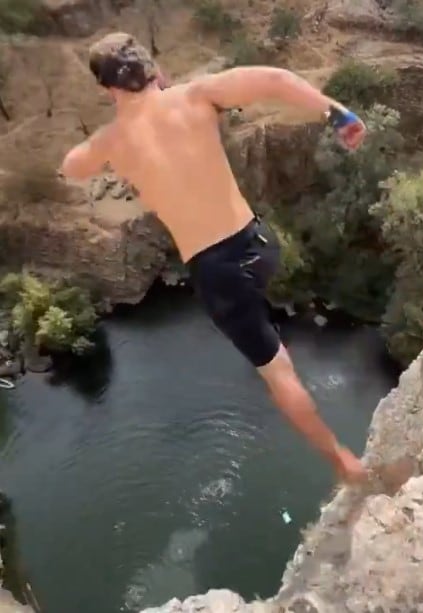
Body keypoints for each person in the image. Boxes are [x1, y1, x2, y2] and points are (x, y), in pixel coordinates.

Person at [60, 32, 369, 484]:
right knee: (267, 312)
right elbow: (272, 79)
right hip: (259, 244)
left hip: (219, 274)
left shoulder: (112, 142)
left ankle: (342, 461)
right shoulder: (197, 96)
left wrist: (119, 165)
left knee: (277, 372)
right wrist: (337, 112)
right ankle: (292, 324)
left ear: (107, 89)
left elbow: (70, 167)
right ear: (154, 70)